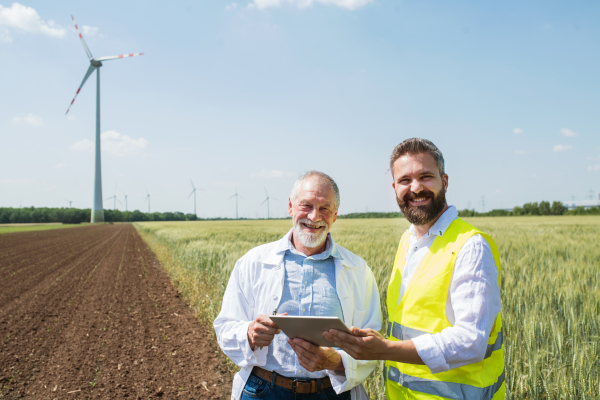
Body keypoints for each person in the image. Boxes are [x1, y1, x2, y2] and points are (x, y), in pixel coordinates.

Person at [324, 138, 504, 400]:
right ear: (395, 187)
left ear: (444, 180)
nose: (416, 188)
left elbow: (471, 342)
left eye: (426, 176)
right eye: (405, 180)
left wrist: (384, 349)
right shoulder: (408, 240)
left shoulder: (470, 246)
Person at [214, 171, 382, 400]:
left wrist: (336, 361)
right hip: (263, 391)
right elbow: (225, 327)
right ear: (290, 207)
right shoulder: (252, 262)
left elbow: (373, 343)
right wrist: (249, 334)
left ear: (335, 215)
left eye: (325, 208)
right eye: (307, 205)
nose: (314, 217)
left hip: (332, 392)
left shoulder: (358, 270)